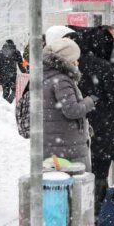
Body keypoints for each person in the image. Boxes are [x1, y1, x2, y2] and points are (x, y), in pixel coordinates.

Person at [70, 26, 114, 215]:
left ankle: (81, 210)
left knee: (82, 171)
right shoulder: (104, 66)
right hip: (105, 125)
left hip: (80, 127)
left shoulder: (76, 64)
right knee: (100, 170)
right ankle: (97, 211)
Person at [42, 38, 96, 171]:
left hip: (54, 141)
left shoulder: (47, 76)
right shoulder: (61, 80)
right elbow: (72, 110)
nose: (77, 62)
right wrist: (90, 101)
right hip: (67, 144)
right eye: (74, 59)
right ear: (66, 60)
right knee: (74, 186)